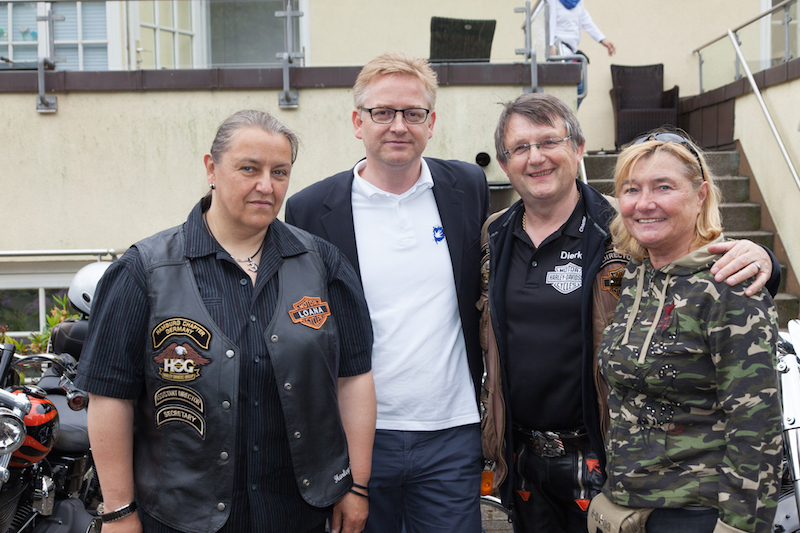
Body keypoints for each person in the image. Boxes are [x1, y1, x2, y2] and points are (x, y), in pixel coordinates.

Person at [478, 93, 780, 533]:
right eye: (520, 147)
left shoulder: (621, 229)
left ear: (578, 149)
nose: (536, 157)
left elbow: (695, 255)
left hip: (605, 459)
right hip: (526, 459)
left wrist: (762, 259)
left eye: (549, 142)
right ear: (505, 164)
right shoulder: (494, 234)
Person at [75, 110, 376, 533]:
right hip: (180, 516)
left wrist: (356, 484)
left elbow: (354, 378)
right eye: (249, 169)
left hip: (296, 514)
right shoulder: (144, 270)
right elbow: (110, 397)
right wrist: (118, 512)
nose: (266, 185)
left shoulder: (323, 264)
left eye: (279, 172)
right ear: (211, 169)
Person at [285, 51, 489, 533]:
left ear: (431, 122)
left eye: (412, 113)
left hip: (450, 433)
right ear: (358, 122)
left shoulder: (467, 186)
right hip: (356, 436)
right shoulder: (310, 209)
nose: (398, 126)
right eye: (382, 112)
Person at [596, 131, 782, 533]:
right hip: (631, 505)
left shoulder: (729, 286)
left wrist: (739, 527)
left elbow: (756, 427)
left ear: (701, 196)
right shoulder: (638, 275)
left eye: (664, 187)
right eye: (631, 189)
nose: (644, 203)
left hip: (698, 514)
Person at [547, 0, 615, 58]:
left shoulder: (578, 2)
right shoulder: (553, 1)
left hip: (571, 51)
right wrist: (550, 46)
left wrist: (603, 40)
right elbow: (546, 23)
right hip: (558, 50)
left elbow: (586, 21)